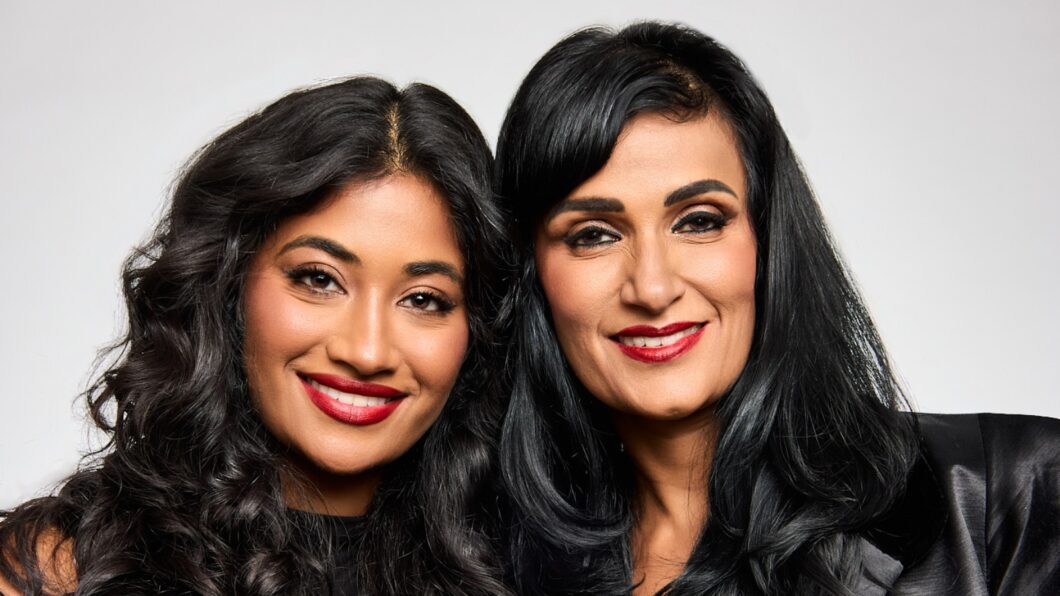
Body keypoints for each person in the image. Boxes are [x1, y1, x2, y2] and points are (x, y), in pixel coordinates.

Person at [495, 22, 1060, 595]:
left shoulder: (1012, 492)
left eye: (699, 222)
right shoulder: (495, 572)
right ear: (531, 270)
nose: (653, 287)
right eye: (593, 235)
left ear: (766, 238)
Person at [0, 76, 510, 595]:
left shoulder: (517, 572)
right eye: (319, 279)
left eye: (423, 299)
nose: (366, 351)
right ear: (230, 285)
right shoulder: (62, 572)